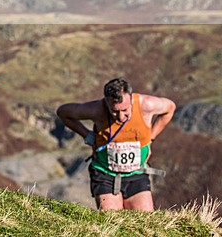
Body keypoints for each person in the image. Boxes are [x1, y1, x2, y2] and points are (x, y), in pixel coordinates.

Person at [56, 78, 176, 211]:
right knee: (112, 222)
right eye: (114, 111)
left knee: (146, 222)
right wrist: (87, 135)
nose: (120, 117)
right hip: (105, 174)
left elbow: (170, 108)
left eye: (125, 110)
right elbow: (63, 112)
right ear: (106, 102)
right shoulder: (96, 109)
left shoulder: (146, 105)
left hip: (136, 173)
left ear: (131, 99)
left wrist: (151, 138)